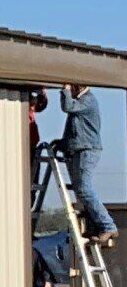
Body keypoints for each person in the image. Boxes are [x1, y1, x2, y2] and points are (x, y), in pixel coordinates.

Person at [57, 84, 117, 246]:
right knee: (80, 191)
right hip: (79, 148)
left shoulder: (88, 100)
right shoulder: (81, 102)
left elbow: (68, 107)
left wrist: (65, 91)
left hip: (86, 149)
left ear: (77, 88)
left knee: (84, 188)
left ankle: (108, 225)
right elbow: (74, 128)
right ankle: (94, 226)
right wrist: (63, 143)